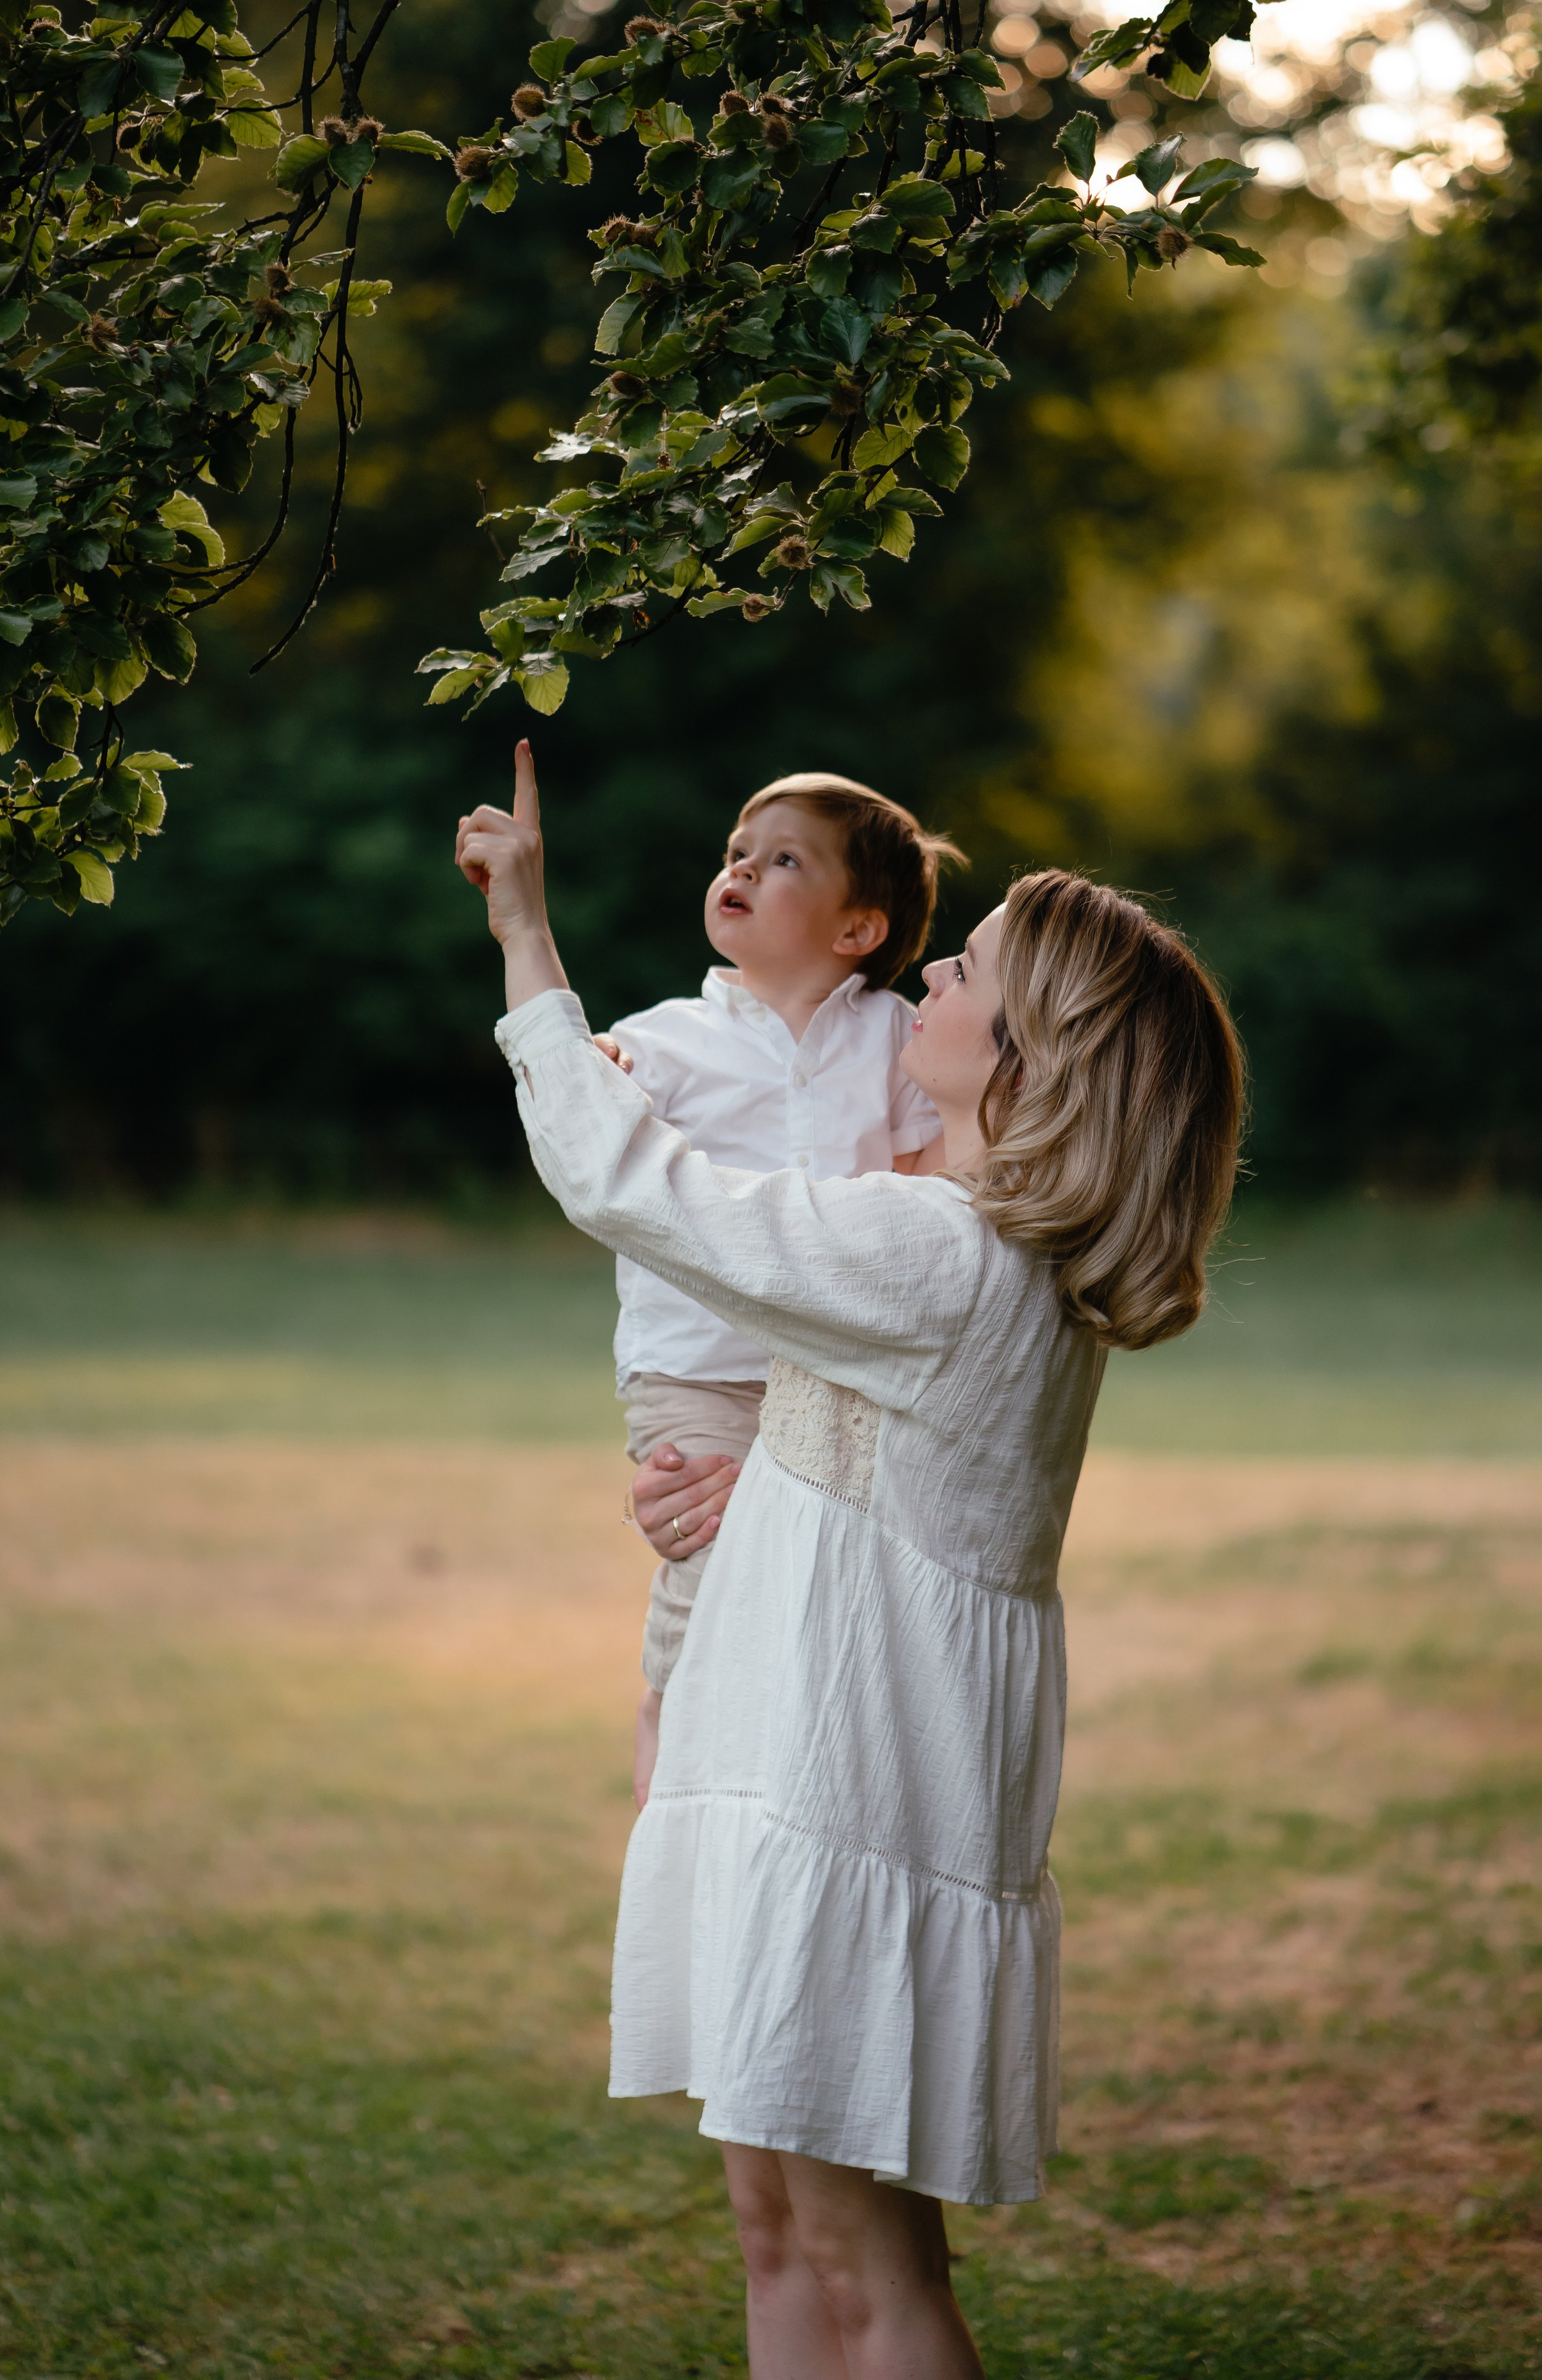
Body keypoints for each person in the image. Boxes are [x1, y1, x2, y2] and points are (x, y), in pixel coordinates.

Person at [457, 742, 1244, 2380]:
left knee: (870, 2271)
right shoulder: (968, 1246)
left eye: (962, 972)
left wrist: (522, 932)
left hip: (842, 1792)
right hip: (810, 1761)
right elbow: (890, 1468)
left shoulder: (932, 1250)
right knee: (781, 2238)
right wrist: (746, 1488)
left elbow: (627, 1179)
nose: (934, 978)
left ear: (1021, 1057)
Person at [598, 773, 961, 1806]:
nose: (743, 867)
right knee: (708, 1591)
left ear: (858, 930)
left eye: (785, 857)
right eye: (739, 849)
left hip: (842, 1374)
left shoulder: (896, 1039)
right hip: (700, 1372)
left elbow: (937, 1180)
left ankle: (787, 1817)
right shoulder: (664, 1039)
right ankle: (668, 1817)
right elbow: (598, 1121)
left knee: (819, 1608)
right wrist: (598, 1068)